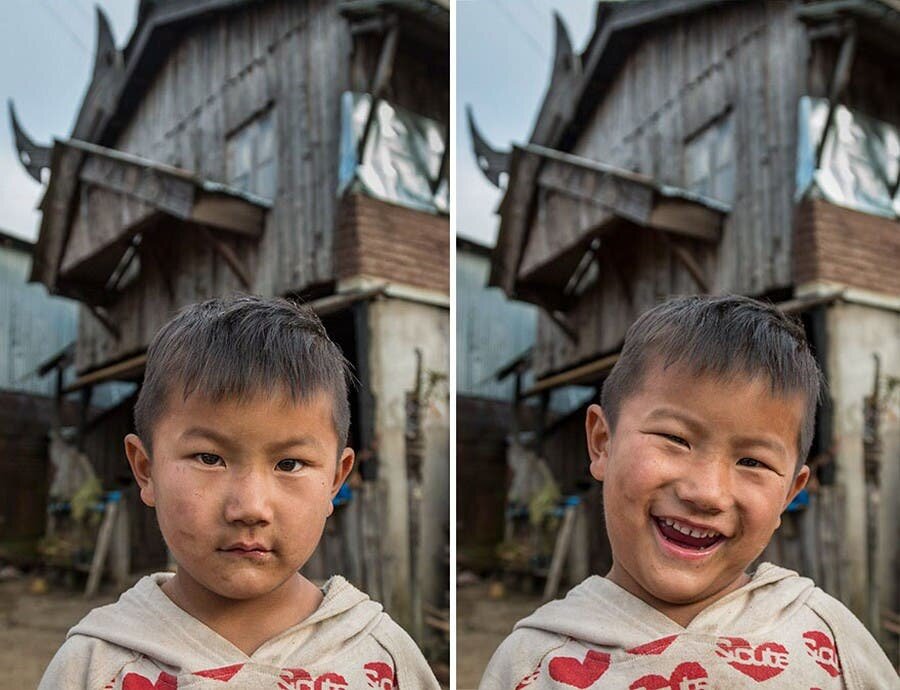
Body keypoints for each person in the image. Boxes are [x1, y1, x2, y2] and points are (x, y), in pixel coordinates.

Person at [479, 295, 897, 689]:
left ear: (789, 494)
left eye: (752, 462)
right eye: (676, 439)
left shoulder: (830, 637)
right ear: (603, 442)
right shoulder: (533, 664)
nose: (707, 493)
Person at [40, 296, 438, 690]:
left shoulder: (382, 658)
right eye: (209, 458)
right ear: (146, 471)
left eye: (289, 464)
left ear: (336, 480)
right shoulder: (95, 666)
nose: (250, 508)